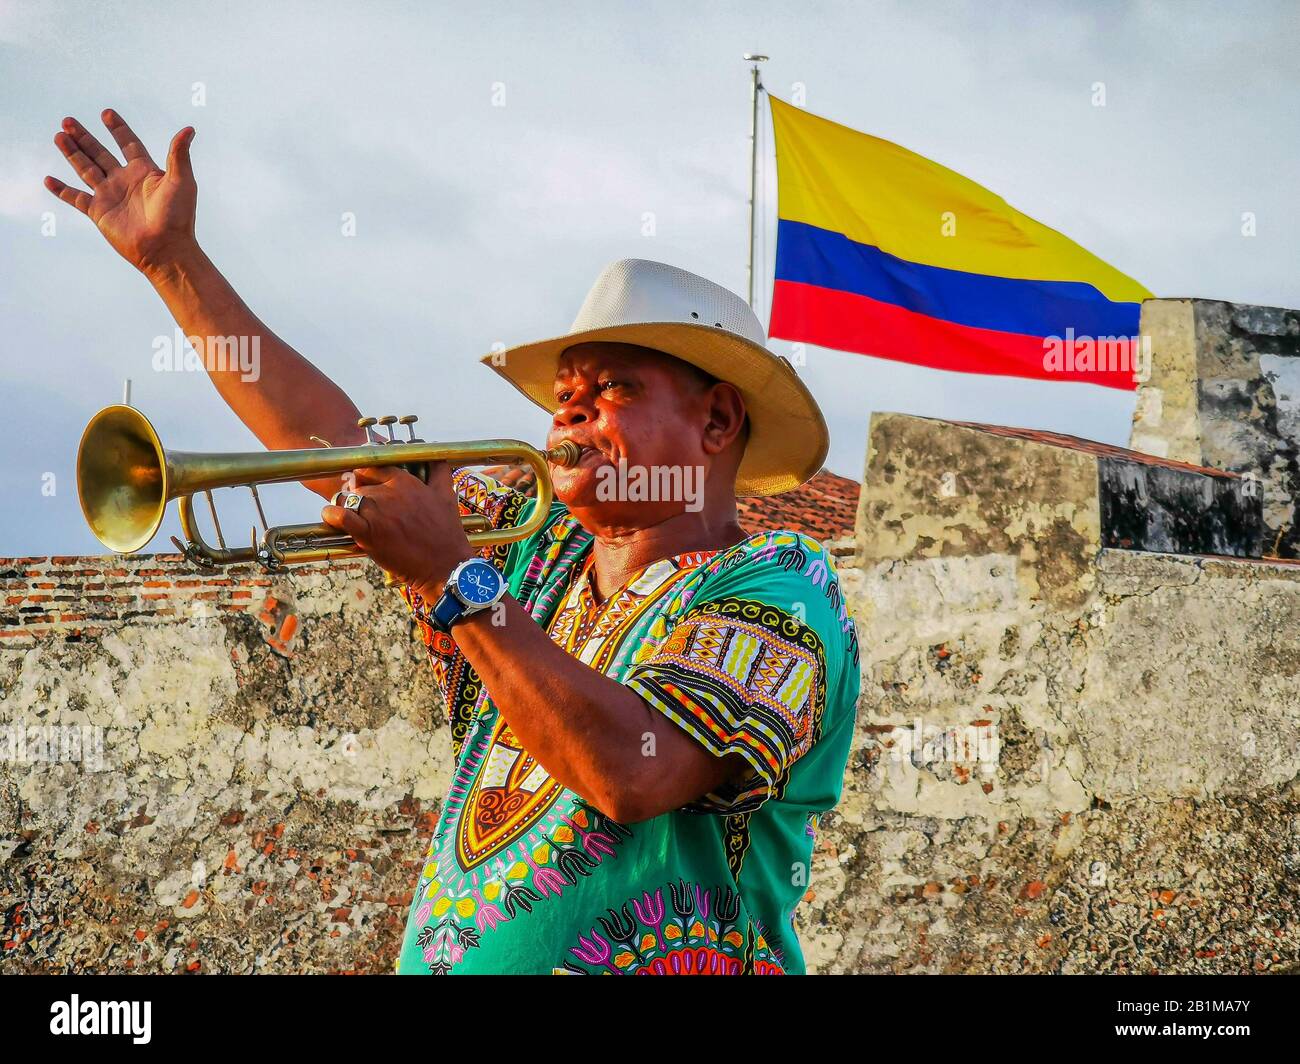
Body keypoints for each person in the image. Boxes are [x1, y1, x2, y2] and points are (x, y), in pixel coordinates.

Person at [47, 110, 862, 974]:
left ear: (719, 418)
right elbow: (333, 448)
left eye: (615, 386)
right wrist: (175, 266)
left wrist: (451, 574)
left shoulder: (781, 589)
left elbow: (633, 772)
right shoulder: (536, 556)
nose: (570, 411)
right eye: (563, 394)